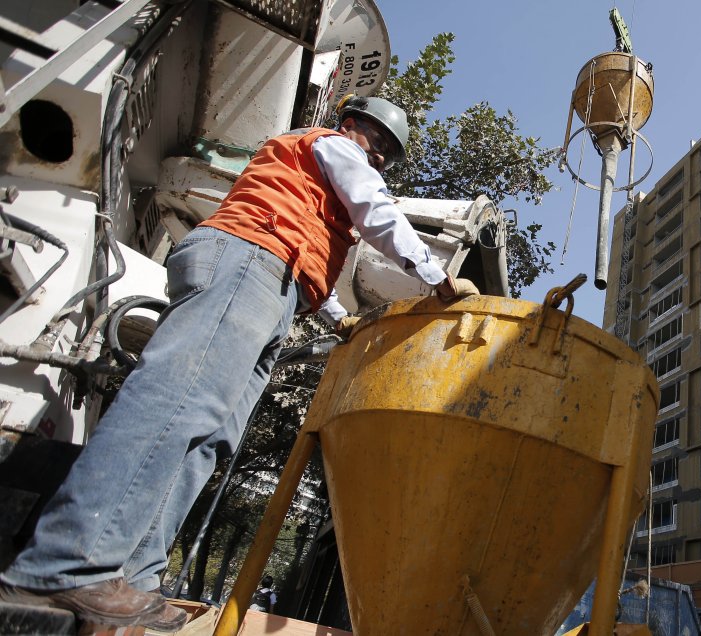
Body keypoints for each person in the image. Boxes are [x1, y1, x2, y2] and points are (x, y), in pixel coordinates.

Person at [0, 95, 478, 631]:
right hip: (250, 257)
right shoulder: (334, 147)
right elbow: (375, 210)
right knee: (178, 401)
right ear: (351, 126)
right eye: (380, 143)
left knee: (211, 436)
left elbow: (312, 243)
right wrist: (434, 277)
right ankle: (69, 565)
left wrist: (335, 316)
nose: (382, 159)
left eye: (391, 153)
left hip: (276, 283)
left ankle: (134, 575)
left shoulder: (318, 177)